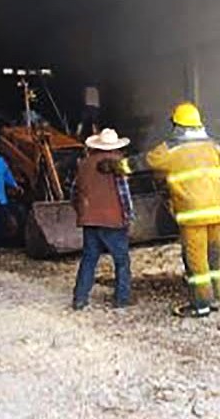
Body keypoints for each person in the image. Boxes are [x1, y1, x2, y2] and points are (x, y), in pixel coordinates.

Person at [105, 102, 220, 318]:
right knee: (214, 257)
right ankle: (215, 298)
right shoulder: (214, 146)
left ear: (178, 125)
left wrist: (116, 167)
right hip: (218, 212)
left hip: (192, 215)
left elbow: (142, 162)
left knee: (196, 260)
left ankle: (200, 305)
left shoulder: (170, 149)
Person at [71, 129, 135, 311]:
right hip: (113, 220)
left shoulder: (83, 164)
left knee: (89, 259)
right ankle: (122, 299)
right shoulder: (117, 165)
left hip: (90, 220)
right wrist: (129, 216)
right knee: (121, 261)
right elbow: (124, 195)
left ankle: (80, 299)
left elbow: (74, 193)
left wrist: (83, 212)